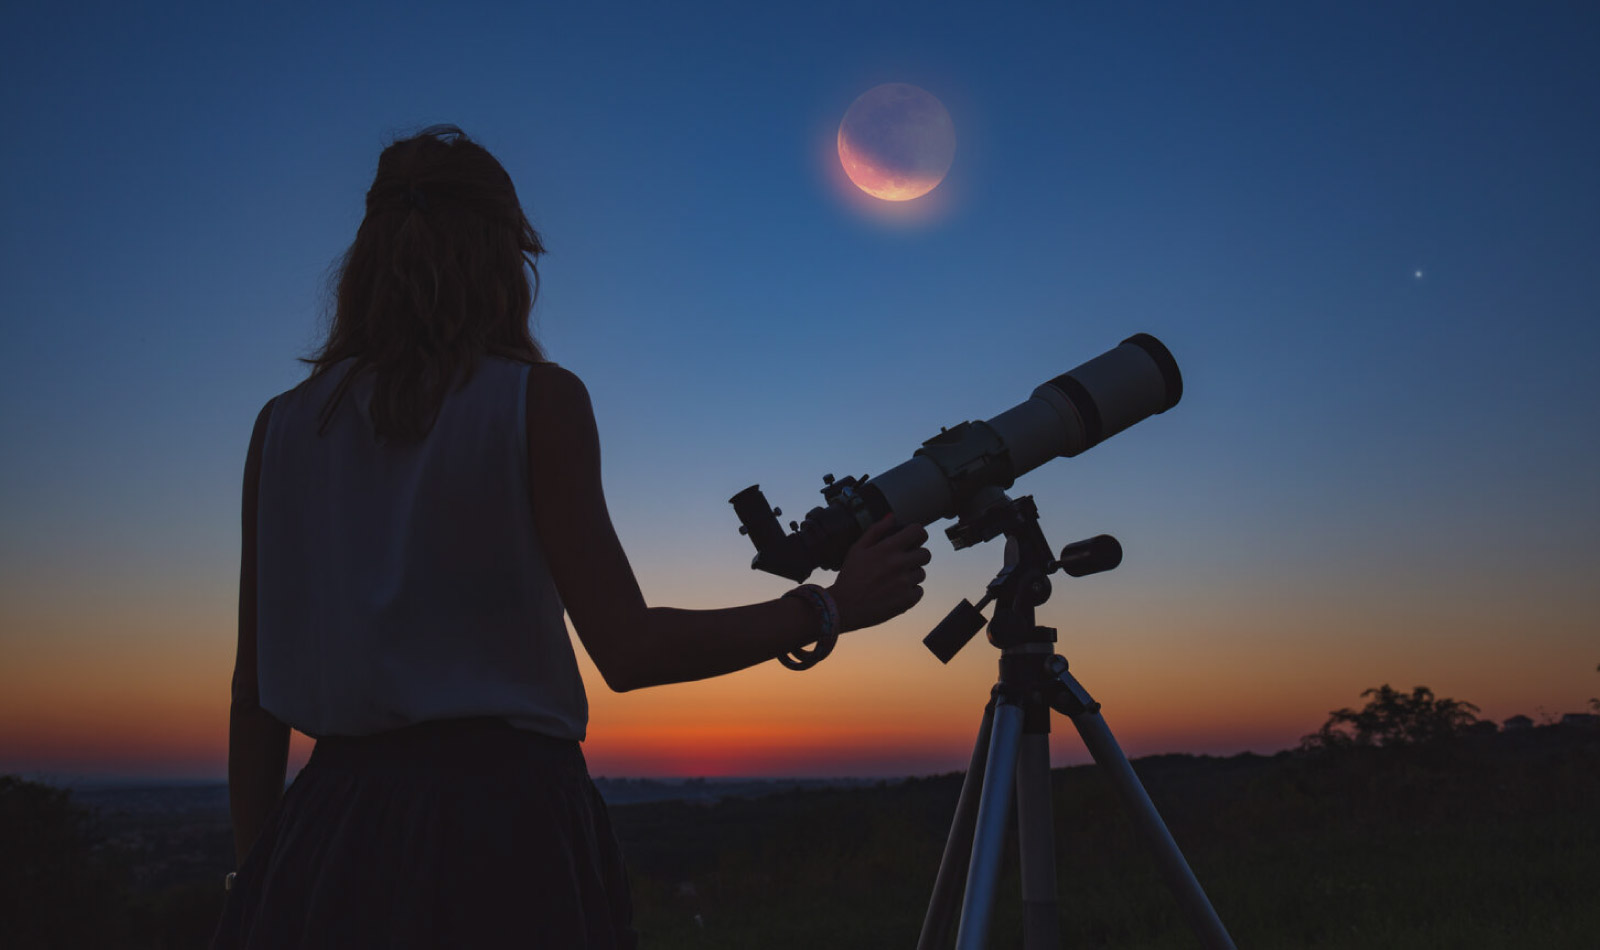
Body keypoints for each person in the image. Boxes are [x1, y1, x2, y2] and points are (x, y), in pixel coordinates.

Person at [212, 126, 930, 949]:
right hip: (502, 829)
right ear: (501, 258)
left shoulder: (283, 426)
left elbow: (253, 690)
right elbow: (628, 651)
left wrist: (255, 880)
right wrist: (832, 608)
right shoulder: (535, 402)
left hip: (328, 831)